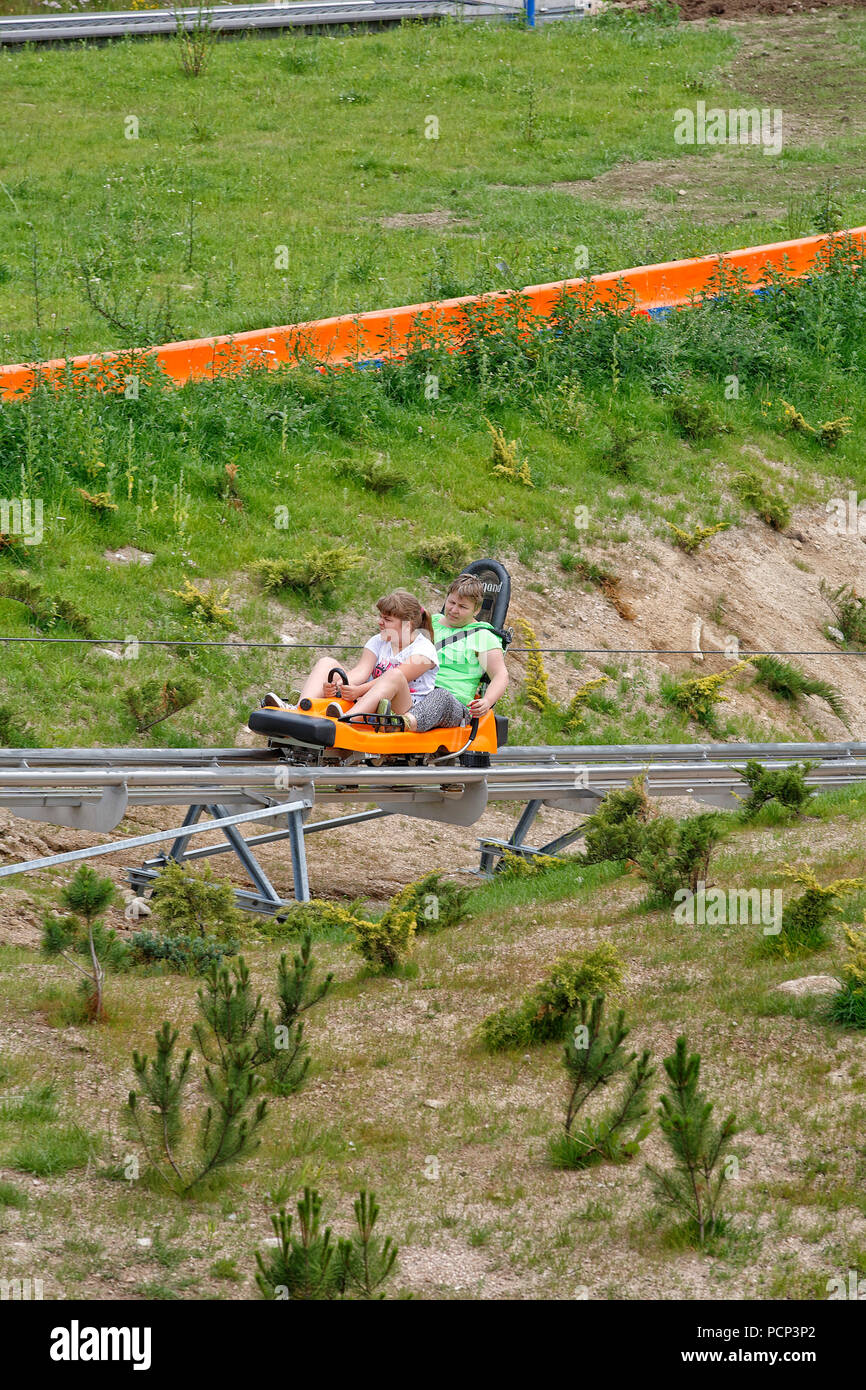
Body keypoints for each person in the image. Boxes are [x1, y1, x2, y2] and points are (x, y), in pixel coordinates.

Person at [268, 590, 439, 726]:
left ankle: (345, 720)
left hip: (405, 711)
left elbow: (396, 677)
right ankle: (301, 709)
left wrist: (359, 690)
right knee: (327, 662)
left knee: (395, 675)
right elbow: (361, 671)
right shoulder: (378, 641)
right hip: (370, 700)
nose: (380, 622)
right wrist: (338, 686)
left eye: (386, 619)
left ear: (406, 625)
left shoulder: (424, 650)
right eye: (380, 617)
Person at [410, 571, 508, 732]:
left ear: (476, 610)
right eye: (451, 602)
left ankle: (402, 723)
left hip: (453, 704)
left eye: (462, 606)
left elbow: (500, 675)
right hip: (416, 691)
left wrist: (487, 701)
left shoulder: (482, 635)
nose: (454, 610)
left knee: (441, 697)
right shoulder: (429, 621)